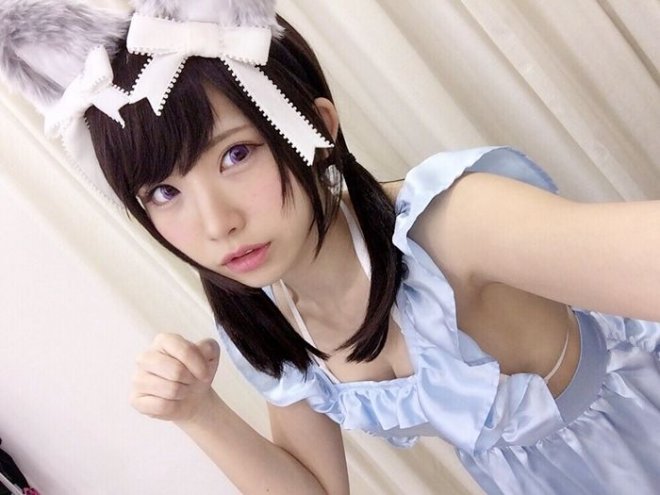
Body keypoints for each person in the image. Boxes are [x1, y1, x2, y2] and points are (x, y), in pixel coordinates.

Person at [1, 1, 659, 494]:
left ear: (314, 126)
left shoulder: (452, 224)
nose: (216, 223)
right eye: (165, 192)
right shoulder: (271, 322)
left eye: (235, 155)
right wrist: (199, 412)